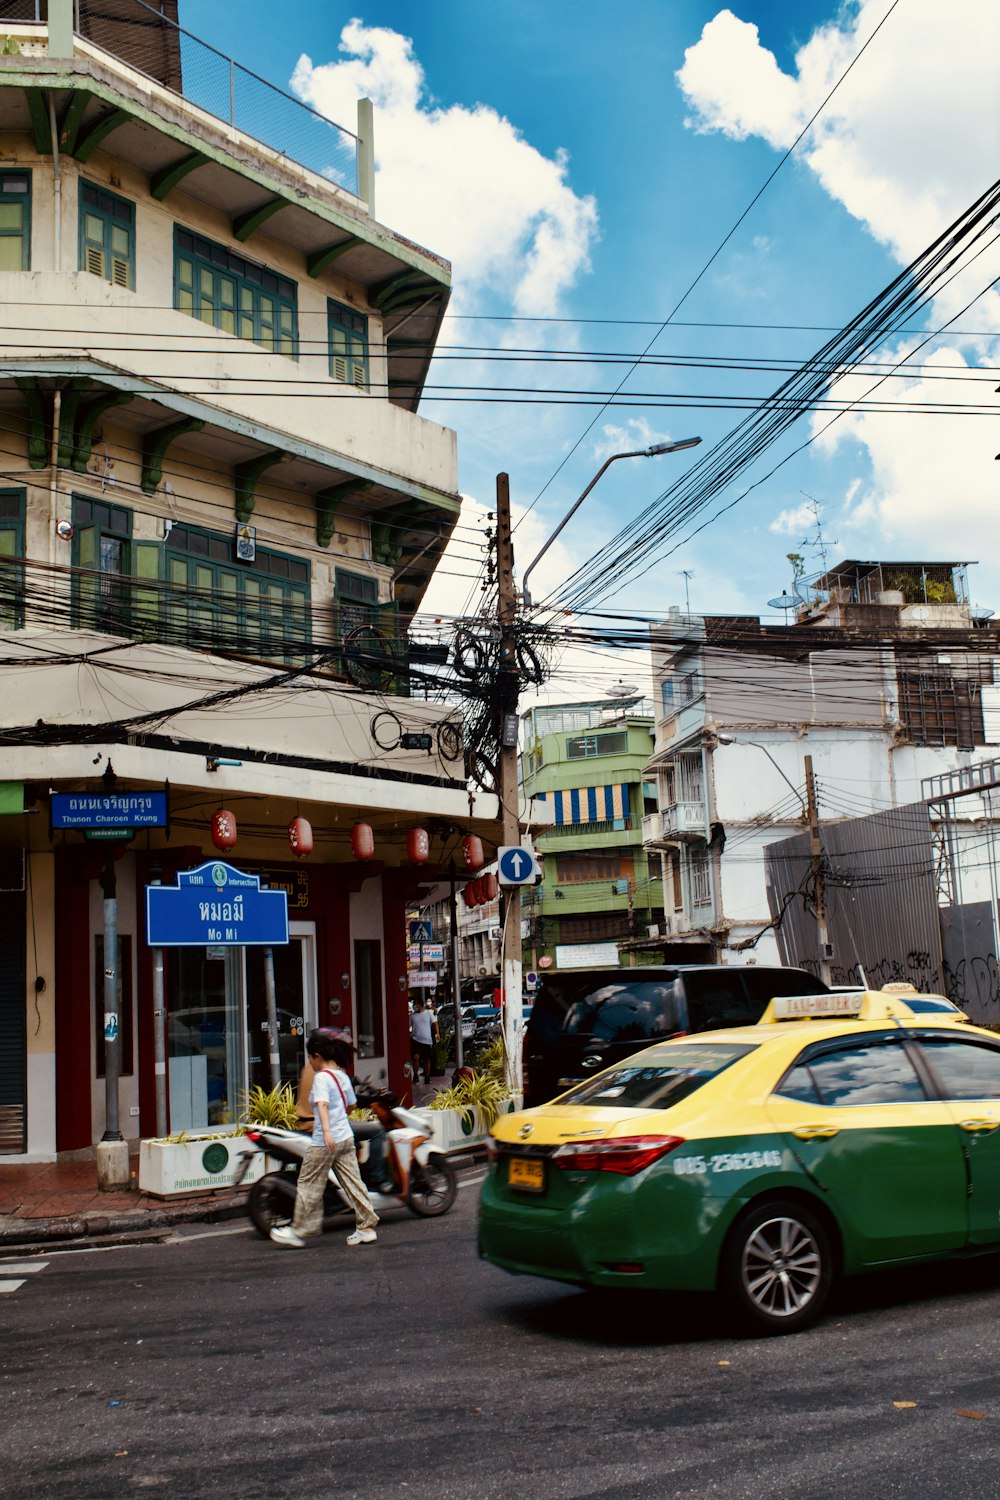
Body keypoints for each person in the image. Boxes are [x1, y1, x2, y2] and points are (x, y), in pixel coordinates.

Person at [271, 1029, 380, 1249]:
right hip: (346, 1139)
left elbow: (322, 1105)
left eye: (310, 1058)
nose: (309, 1062)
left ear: (317, 1056)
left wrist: (328, 1131)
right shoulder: (341, 1075)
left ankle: (299, 1230)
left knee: (308, 1184)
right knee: (353, 1183)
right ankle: (366, 1228)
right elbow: (351, 1104)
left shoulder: (321, 1077)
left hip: (324, 1141)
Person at [409, 995, 438, 1085]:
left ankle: (427, 1077)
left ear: (420, 1004)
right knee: (415, 1058)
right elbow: (407, 1026)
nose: (414, 1005)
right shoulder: (412, 1016)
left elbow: (435, 1023)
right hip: (415, 1039)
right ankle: (415, 1076)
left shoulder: (428, 1013)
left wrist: (437, 1033)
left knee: (426, 1059)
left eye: (416, 1004)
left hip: (427, 1040)